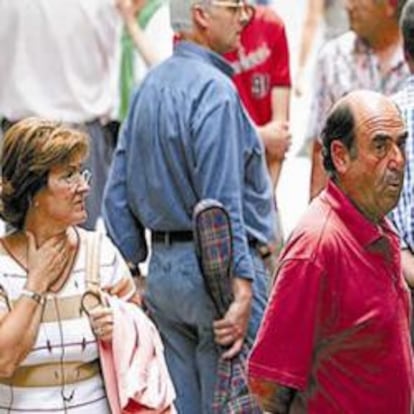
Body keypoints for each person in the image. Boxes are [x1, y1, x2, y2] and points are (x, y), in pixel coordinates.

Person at [103, 0, 276, 411]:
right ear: (201, 15)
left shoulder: (149, 87)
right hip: (219, 280)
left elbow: (116, 192)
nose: (245, 17)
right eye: (236, 7)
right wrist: (241, 287)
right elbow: (222, 204)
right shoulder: (215, 92)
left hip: (165, 277)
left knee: (182, 405)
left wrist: (134, 270)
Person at [247, 90, 413, 413]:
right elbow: (267, 386)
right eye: (380, 146)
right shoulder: (318, 246)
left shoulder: (379, 227)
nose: (398, 160)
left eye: (401, 143)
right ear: (340, 156)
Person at [0, 118, 138, 413]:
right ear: (32, 190)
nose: (85, 187)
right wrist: (35, 284)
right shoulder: (2, 265)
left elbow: (143, 335)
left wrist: (121, 328)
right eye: (68, 176)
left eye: (81, 173)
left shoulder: (101, 254)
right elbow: (3, 360)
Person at [0, 0, 139, 230]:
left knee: (22, 243)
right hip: (79, 131)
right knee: (81, 248)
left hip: (24, 131)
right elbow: (112, 56)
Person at [306, 0, 409, 200]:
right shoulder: (333, 58)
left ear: (390, 5)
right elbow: (321, 145)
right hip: (349, 212)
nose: (347, 5)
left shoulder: (408, 60)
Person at [223, 4, 291, 190]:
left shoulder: (272, 25)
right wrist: (260, 136)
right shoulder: (201, 36)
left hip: (262, 183)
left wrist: (266, 203)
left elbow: (279, 135)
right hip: (221, 184)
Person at [294, 0, 348, 96]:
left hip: (338, 58)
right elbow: (311, 22)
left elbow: (311, 23)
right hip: (337, 57)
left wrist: (301, 72)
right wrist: (301, 72)